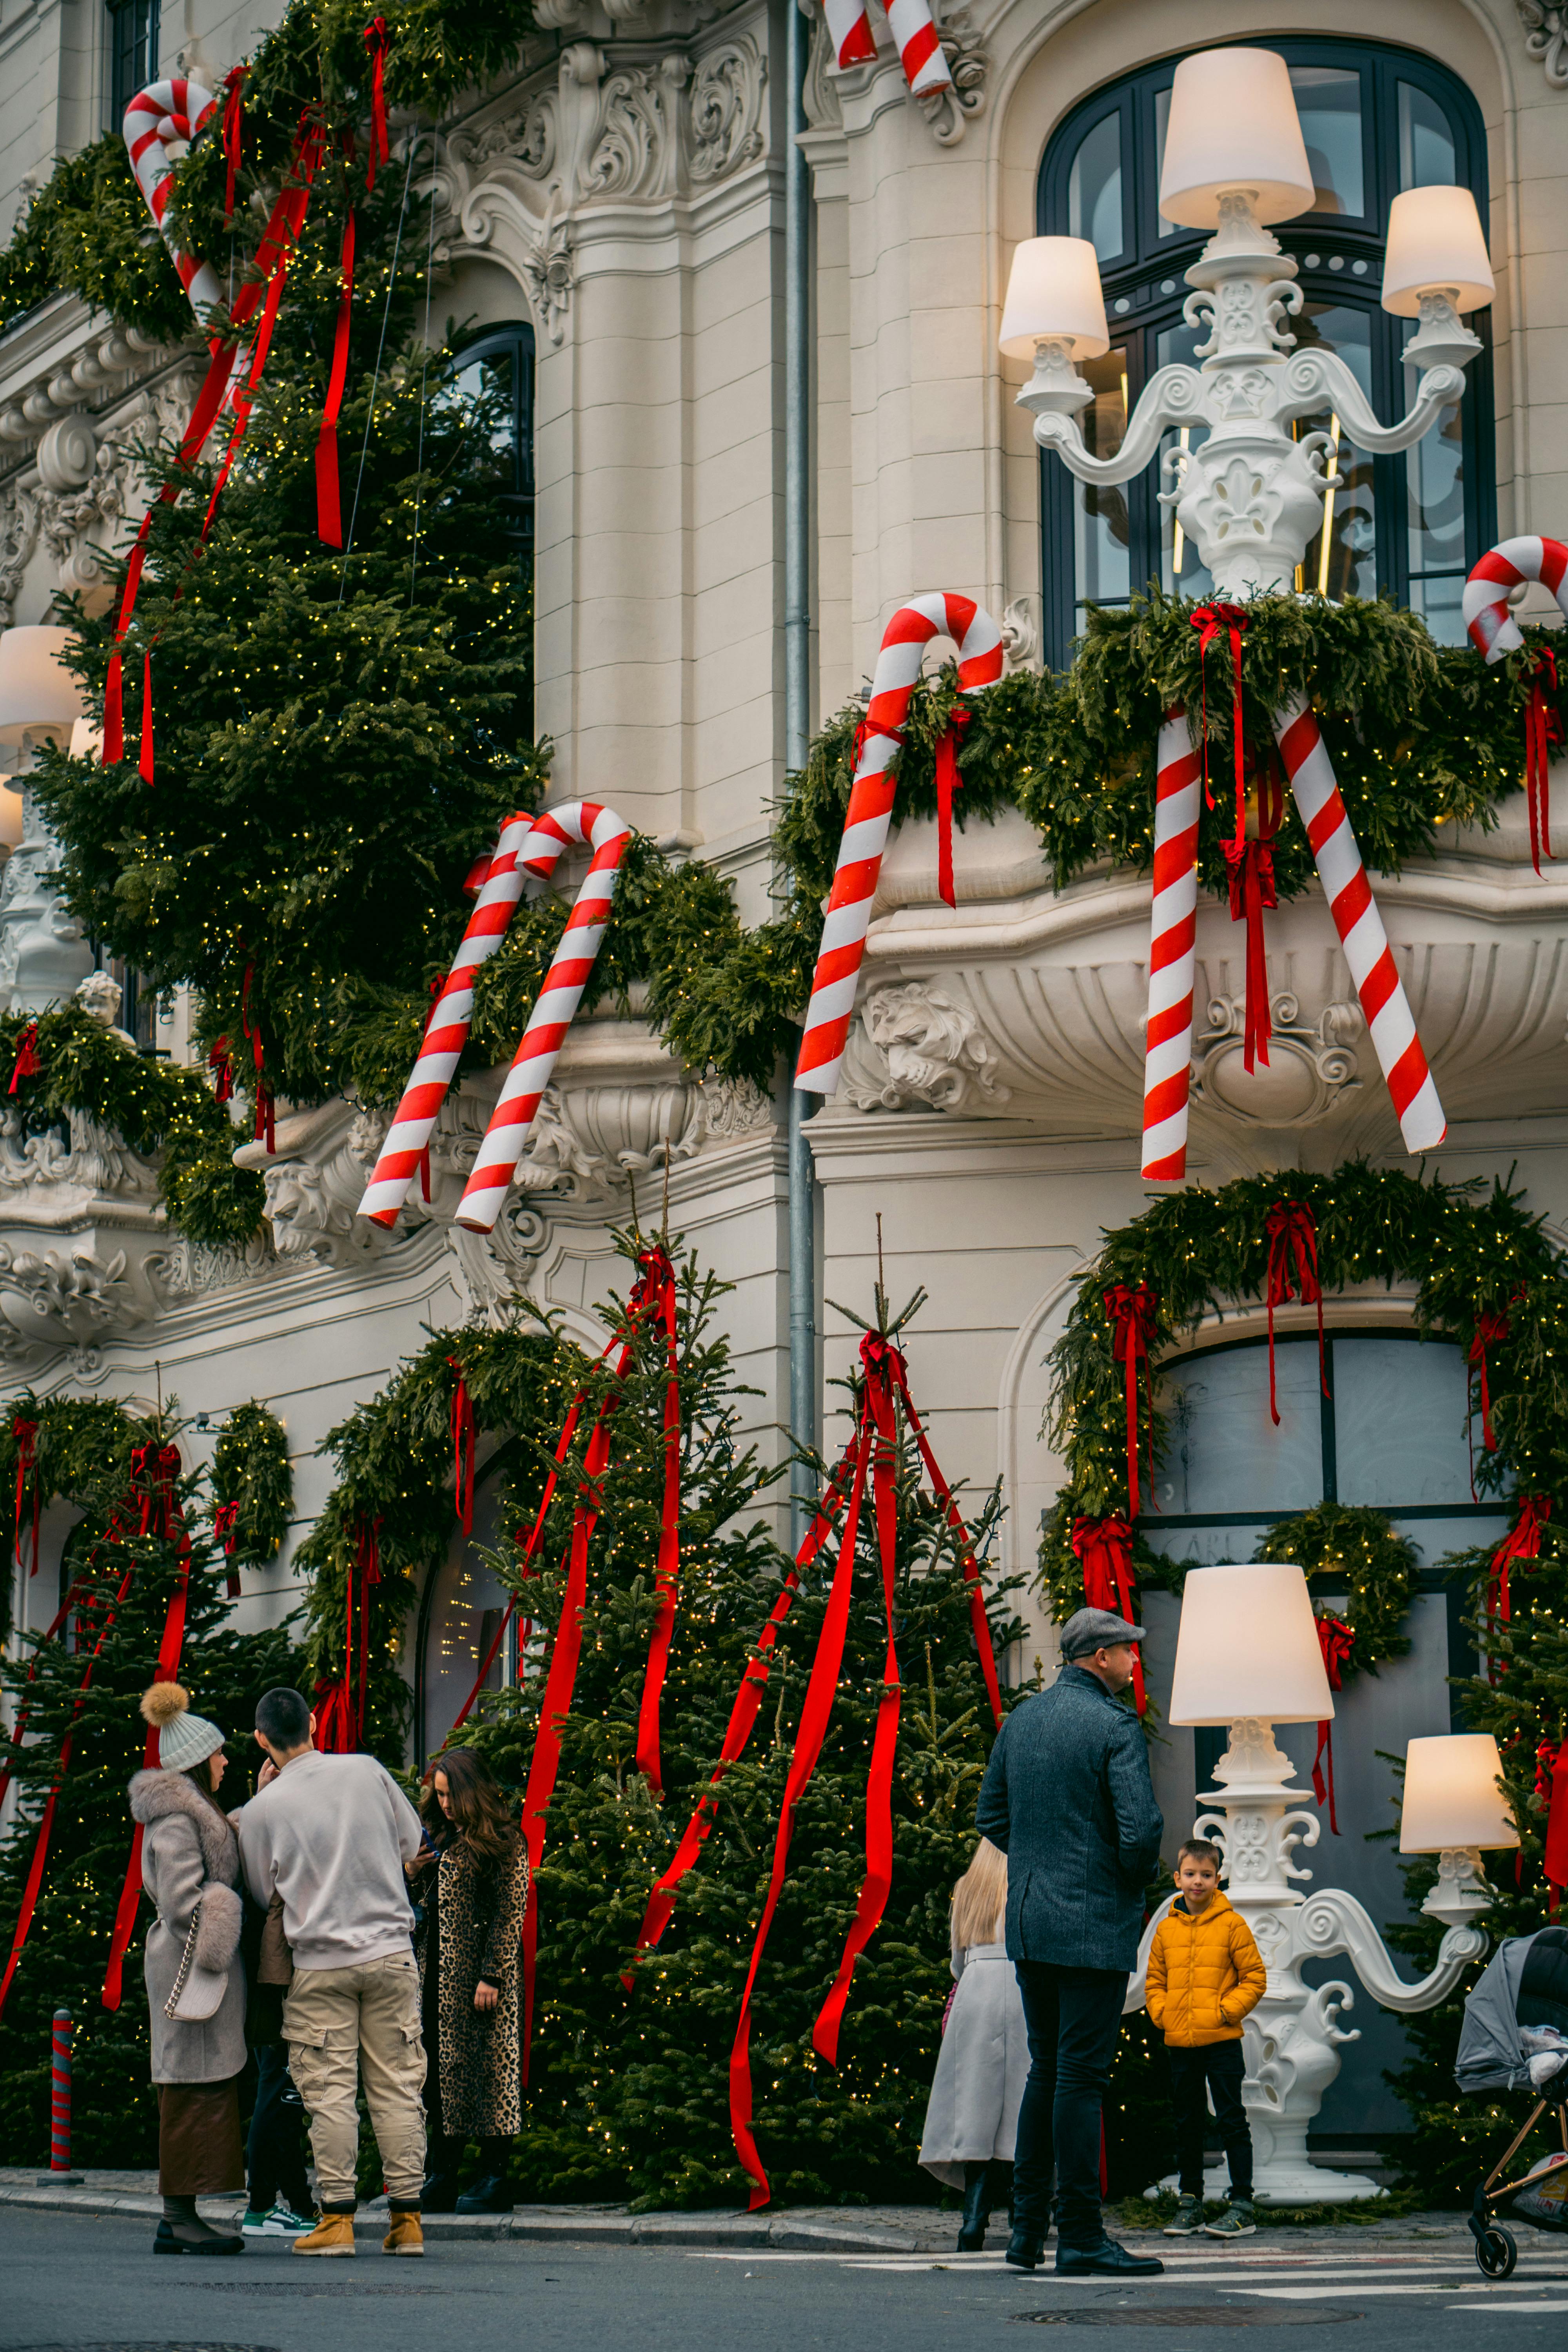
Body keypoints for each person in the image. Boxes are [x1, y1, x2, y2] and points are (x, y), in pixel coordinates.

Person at [975, 1606, 1165, 2279]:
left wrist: (1040, 1861)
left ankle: (1026, 2233)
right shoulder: (1114, 1726)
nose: (1134, 1662)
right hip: (1091, 1923)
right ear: (1101, 1656)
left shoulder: (1022, 1720)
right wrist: (1115, 1878)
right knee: (1080, 2078)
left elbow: (990, 1814)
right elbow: (1141, 1834)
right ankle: (1080, 2235)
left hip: (1030, 1922)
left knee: (1047, 2072)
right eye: (1128, 1651)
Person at [237, 1687, 427, 2259]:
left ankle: (337, 2221)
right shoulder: (367, 1772)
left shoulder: (264, 1808)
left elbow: (260, 1889)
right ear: (316, 1723)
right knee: (397, 2086)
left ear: (261, 1739)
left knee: (331, 2095)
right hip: (393, 1952)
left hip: (320, 1963)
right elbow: (411, 1841)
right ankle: (408, 2221)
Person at [129, 1682, 248, 2258]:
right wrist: (225, 1907)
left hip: (193, 1965)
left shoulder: (190, 1810)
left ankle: (181, 2216)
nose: (227, 1761)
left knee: (198, 2084)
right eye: (220, 1753)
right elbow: (183, 1902)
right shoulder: (178, 1816)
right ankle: (179, 2218)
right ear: (202, 1761)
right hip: (188, 1966)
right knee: (186, 2087)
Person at [409, 1748, 530, 2214]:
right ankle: (442, 2174)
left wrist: (493, 1974)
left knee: (491, 2075)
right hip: (437, 1976)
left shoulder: (505, 1840)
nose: (443, 1804)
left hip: (480, 1980)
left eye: (450, 1794)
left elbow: (509, 1912)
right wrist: (413, 1870)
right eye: (437, 1795)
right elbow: (422, 1904)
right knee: (442, 2077)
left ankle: (495, 2178)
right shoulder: (440, 1836)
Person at [1147, 1840, 1266, 2240]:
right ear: (1177, 1878)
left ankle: (1242, 2205)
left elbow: (1254, 1978)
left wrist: (1224, 2012)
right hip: (1180, 2043)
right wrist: (1163, 2014)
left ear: (1218, 1878)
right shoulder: (1166, 1929)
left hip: (1221, 2042)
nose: (1198, 1882)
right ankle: (1190, 2202)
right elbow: (1155, 1982)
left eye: (1207, 1875)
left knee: (1231, 2119)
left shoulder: (1231, 1925)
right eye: (1191, 1874)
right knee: (1187, 2123)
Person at [918, 1836, 1029, 2251]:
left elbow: (956, 1961)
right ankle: (1024, 2219)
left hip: (976, 1991)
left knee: (974, 2111)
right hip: (1022, 1987)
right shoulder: (1027, 1880)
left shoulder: (969, 1887)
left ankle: (973, 2221)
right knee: (1024, 2108)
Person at [237, 1890, 314, 2239]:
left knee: (284, 2096)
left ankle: (298, 2204)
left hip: (271, 1968)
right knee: (278, 2091)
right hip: (280, 1974)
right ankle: (261, 2206)